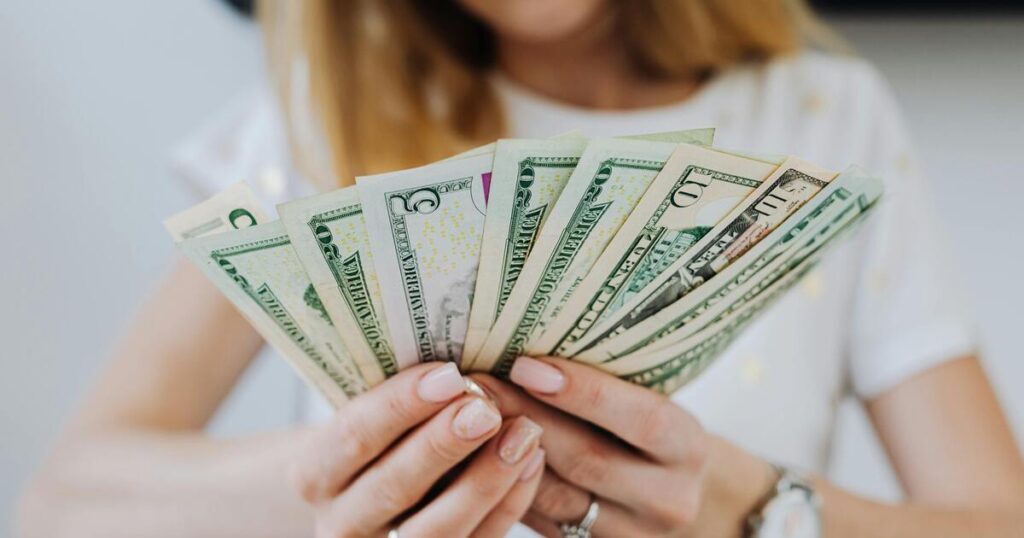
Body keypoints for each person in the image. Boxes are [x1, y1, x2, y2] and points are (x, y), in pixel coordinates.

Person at [17, 1, 1024, 536]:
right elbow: (68, 505)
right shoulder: (320, 117)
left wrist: (751, 512)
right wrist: (356, 474)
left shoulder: (829, 121)